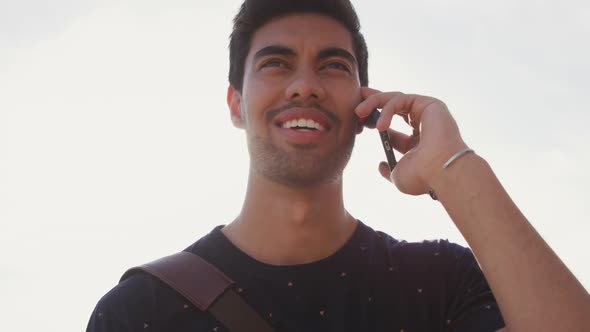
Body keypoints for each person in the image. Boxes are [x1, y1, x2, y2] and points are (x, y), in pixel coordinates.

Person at [86, 0, 590, 331]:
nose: (305, 85)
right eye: (276, 63)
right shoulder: (139, 311)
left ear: (365, 105)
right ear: (236, 105)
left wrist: (454, 167)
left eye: (333, 66)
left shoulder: (439, 284)